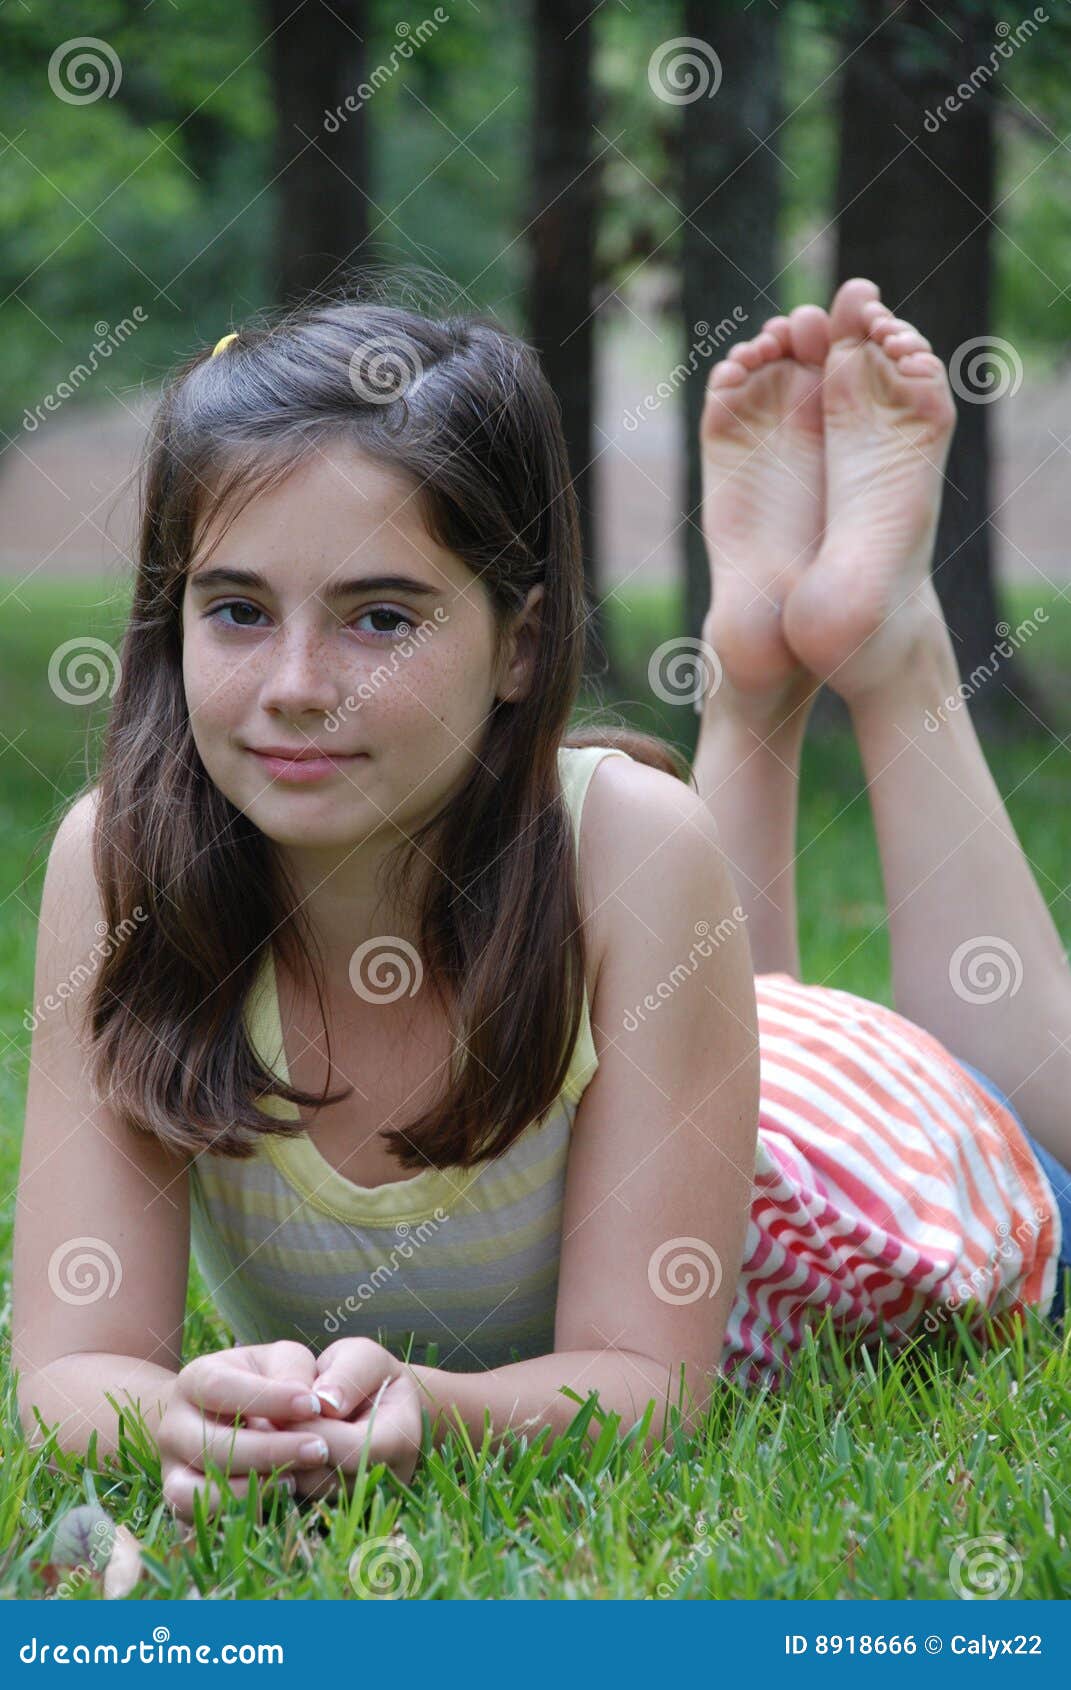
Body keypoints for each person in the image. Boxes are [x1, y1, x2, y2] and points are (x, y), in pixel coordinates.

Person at [12, 278, 1068, 1526]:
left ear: (521, 644)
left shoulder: (630, 846)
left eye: (380, 618)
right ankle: (756, 677)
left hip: (842, 1156)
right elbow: (68, 1374)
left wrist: (433, 1407)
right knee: (715, 970)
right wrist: (172, 1418)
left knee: (1034, 1143)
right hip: (677, 1063)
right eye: (237, 609)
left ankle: (888, 647)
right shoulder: (119, 865)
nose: (295, 686)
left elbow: (649, 1386)